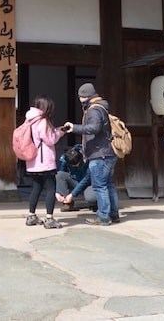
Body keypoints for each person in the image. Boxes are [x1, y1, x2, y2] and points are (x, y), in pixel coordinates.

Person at [58, 83, 120, 226]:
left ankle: (103, 217)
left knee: (100, 187)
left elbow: (94, 128)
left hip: (99, 154)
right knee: (109, 185)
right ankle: (114, 215)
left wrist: (74, 128)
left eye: (80, 97)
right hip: (108, 153)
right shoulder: (102, 106)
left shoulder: (94, 109)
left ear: (84, 97)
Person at [22, 95, 65, 229]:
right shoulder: (42, 121)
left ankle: (31, 216)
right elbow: (50, 140)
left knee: (36, 188)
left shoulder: (29, 119)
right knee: (51, 188)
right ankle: (49, 218)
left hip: (33, 161)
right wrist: (59, 133)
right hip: (44, 161)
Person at [55, 144, 97, 213]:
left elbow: (87, 178)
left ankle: (95, 203)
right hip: (75, 180)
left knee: (91, 198)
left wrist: (72, 194)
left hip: (88, 183)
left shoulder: (88, 158)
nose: (74, 166)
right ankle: (67, 203)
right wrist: (57, 192)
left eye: (76, 164)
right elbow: (61, 172)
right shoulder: (65, 158)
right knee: (60, 175)